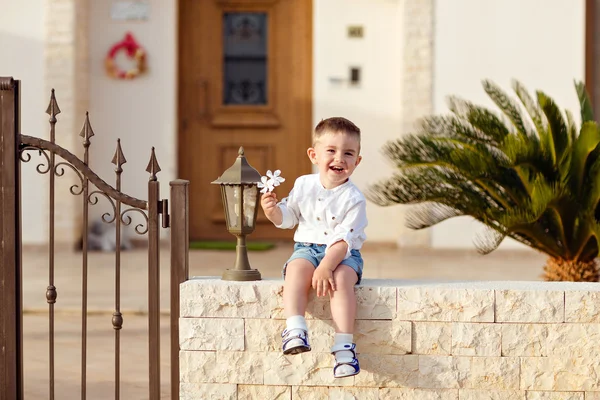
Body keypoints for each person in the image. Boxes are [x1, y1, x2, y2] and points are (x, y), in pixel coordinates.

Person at [260, 117, 368, 378]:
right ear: (314, 155)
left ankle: (344, 348)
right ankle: (295, 328)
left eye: (348, 153)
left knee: (341, 280)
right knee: (296, 269)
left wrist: (326, 267)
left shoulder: (354, 199)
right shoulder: (303, 185)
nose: (339, 158)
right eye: (331, 150)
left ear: (357, 161)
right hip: (307, 248)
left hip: (342, 255)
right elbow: (290, 217)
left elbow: (344, 241)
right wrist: (273, 212)